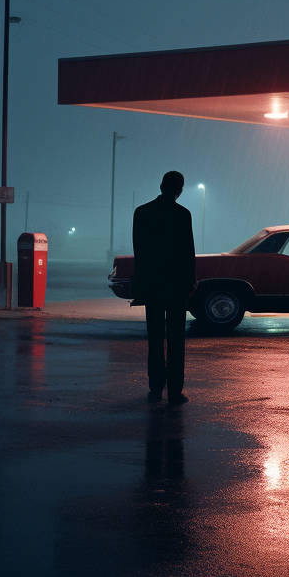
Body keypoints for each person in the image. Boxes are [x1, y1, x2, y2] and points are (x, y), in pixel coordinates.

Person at [132, 171, 197, 404]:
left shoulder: (141, 213)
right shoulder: (183, 215)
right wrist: (191, 281)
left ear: (161, 186)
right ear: (180, 190)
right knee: (176, 340)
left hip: (153, 285)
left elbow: (140, 252)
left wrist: (140, 282)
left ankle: (155, 388)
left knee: (156, 338)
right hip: (176, 286)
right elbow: (188, 252)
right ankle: (175, 391)